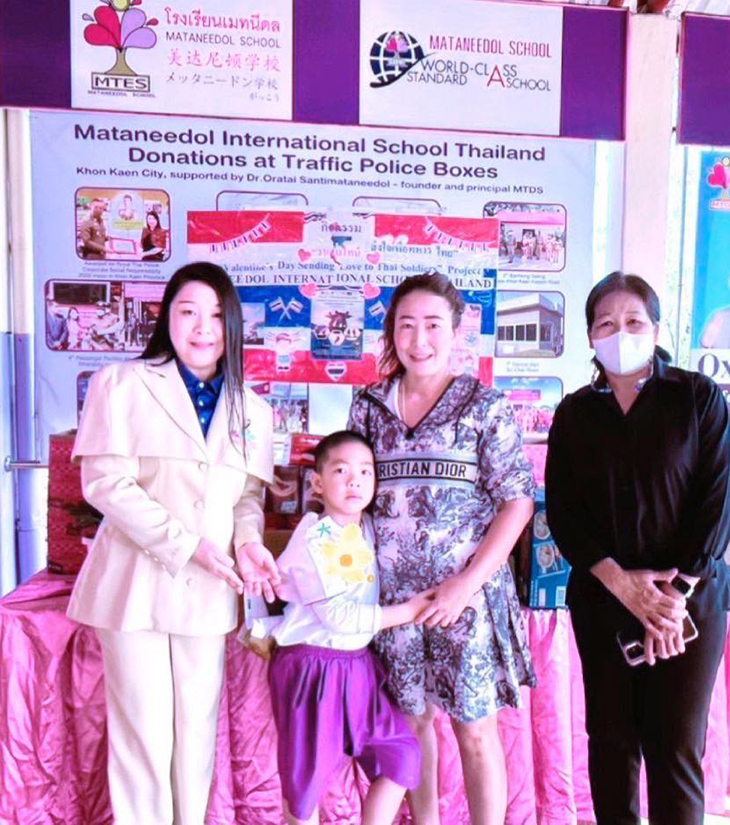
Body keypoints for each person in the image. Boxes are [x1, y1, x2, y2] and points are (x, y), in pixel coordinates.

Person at [66, 262, 280, 825]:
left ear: (233, 326)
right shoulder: (122, 385)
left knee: (196, 734)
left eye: (216, 315)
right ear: (167, 318)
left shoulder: (253, 410)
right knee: (144, 734)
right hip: (132, 587)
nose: (203, 327)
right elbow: (104, 483)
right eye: (188, 312)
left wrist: (248, 543)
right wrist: (188, 546)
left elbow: (246, 499)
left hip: (208, 590)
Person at [545, 272, 730, 825]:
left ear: (656, 329)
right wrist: (622, 584)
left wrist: (672, 597)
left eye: (633, 321)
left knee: (676, 748)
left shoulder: (697, 398)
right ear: (590, 336)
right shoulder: (574, 414)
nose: (620, 333)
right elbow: (564, 512)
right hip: (604, 601)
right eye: (606, 323)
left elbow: (719, 499)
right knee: (610, 746)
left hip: (690, 606)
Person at [347, 271, 535, 825]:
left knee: (475, 730)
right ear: (391, 332)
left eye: (432, 325)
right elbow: (351, 494)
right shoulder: (369, 406)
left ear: (456, 332)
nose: (419, 339)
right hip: (393, 603)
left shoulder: (484, 406)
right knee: (412, 724)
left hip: (466, 599)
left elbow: (517, 503)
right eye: (406, 325)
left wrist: (464, 585)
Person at [251, 430, 427, 825]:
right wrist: (410, 611)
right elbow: (339, 618)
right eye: (341, 471)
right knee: (306, 780)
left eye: (366, 472)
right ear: (317, 483)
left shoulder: (368, 528)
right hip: (313, 666)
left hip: (357, 664)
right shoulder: (315, 537)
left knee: (400, 754)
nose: (355, 481)